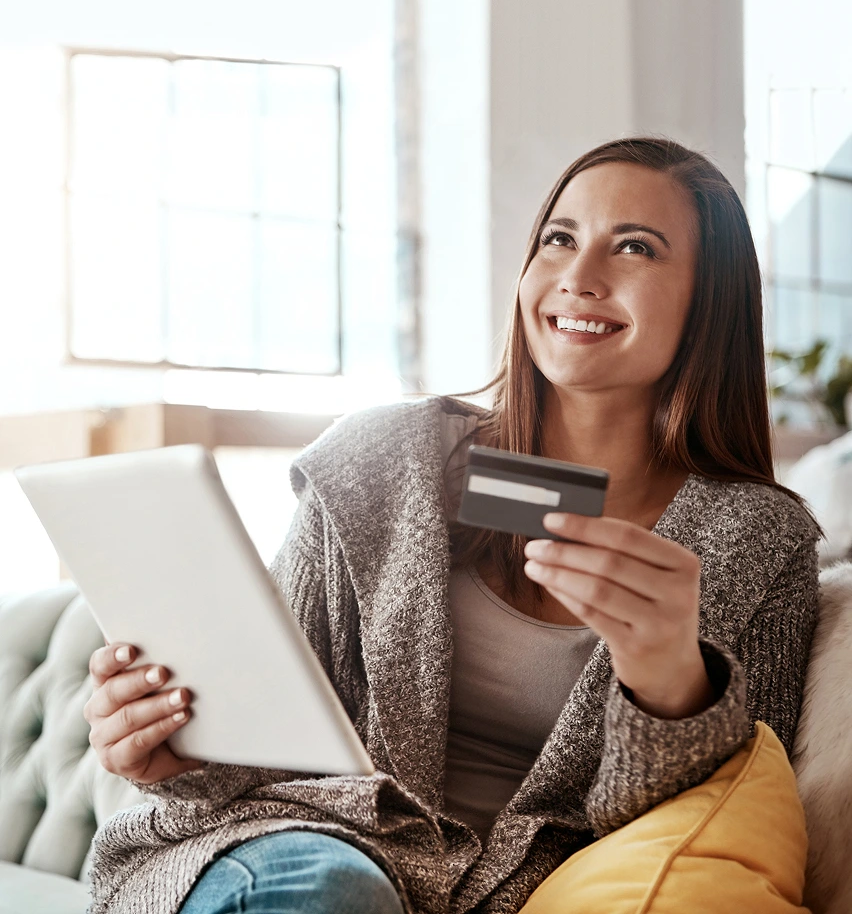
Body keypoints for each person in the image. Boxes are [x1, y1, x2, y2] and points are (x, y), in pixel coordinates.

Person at [83, 137, 820, 914]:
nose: (579, 277)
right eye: (558, 240)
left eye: (634, 248)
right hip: (300, 851)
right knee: (334, 888)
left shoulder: (755, 542)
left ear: (713, 297)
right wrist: (165, 749)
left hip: (509, 896)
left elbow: (718, 827)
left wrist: (670, 686)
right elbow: (261, 746)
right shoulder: (385, 460)